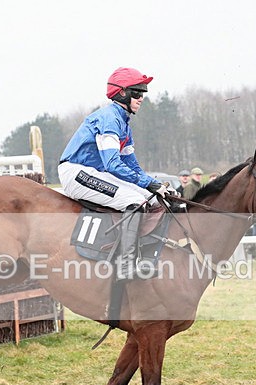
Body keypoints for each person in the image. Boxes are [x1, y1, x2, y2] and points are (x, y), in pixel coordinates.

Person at [58, 67, 173, 280]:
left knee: (147, 198)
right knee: (134, 202)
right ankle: (126, 265)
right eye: (137, 93)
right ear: (122, 93)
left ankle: (143, 257)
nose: (141, 98)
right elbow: (112, 164)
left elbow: (132, 165)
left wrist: (154, 185)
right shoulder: (109, 119)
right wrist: (147, 182)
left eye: (143, 94)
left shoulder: (124, 124)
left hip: (94, 171)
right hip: (76, 172)